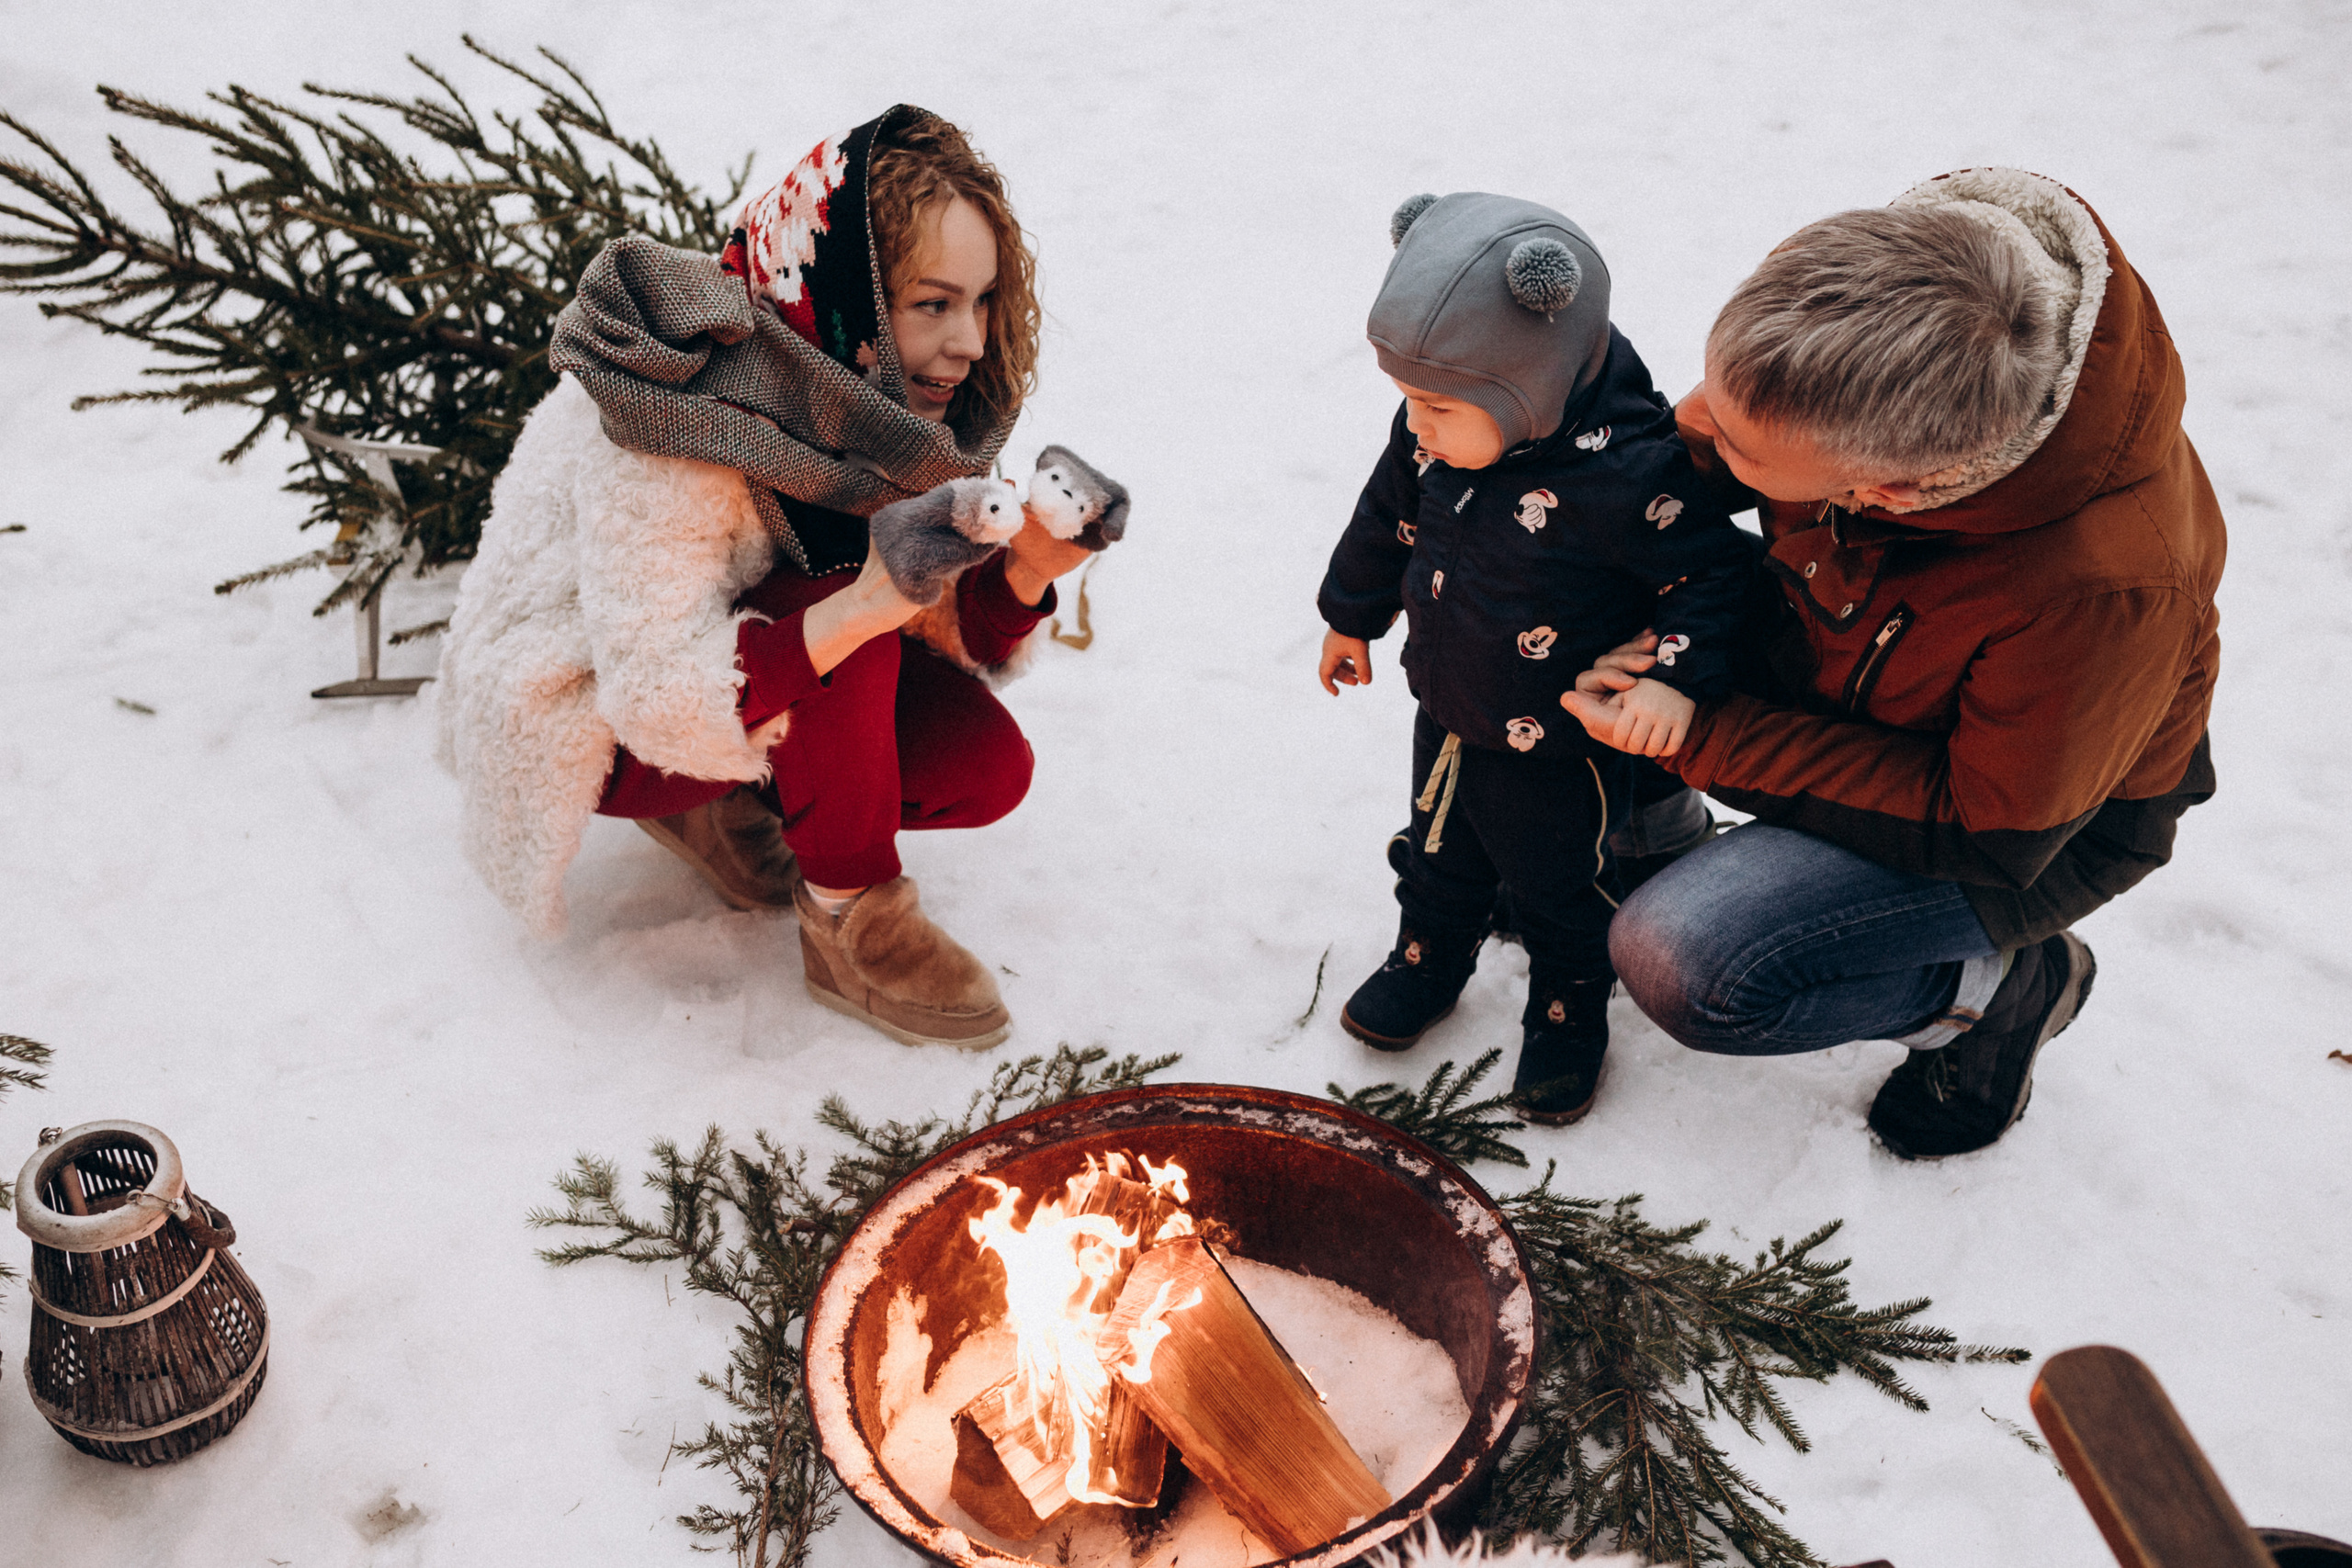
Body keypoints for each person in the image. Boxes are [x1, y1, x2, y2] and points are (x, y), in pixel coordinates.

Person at [1559, 168, 2225, 1158]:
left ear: (1897, 488)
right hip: (1846, 646)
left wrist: (1707, 736)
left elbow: (1987, 826)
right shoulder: (1911, 303)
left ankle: (1997, 994)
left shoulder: (2093, 593)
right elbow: (1700, 446)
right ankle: (1650, 843)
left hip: (2023, 821)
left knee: (1688, 963)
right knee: (1561, 606)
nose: (1698, 435)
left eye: (1740, 449)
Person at [436, 107, 1091, 1050]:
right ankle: (851, 925)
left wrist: (1025, 572)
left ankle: (729, 803)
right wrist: (867, 600)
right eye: (933, 304)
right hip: (590, 710)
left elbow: (938, 621)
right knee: (843, 613)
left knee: (980, 768)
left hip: (743, 657)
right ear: (850, 293)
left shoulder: (887, 405)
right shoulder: (682, 410)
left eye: (983, 302)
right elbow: (653, 689)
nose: (971, 343)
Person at [1316, 193, 1759, 1124]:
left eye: (1436, 405)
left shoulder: (1631, 478)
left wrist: (1673, 678)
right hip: (1445, 703)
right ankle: (1427, 953)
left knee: (1559, 882)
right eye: (1406, 399)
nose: (1415, 425)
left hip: (1562, 745)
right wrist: (1351, 614)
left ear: (1532, 384)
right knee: (1436, 850)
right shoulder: (1437, 433)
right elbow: (1386, 511)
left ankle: (1567, 1006)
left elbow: (1716, 580)